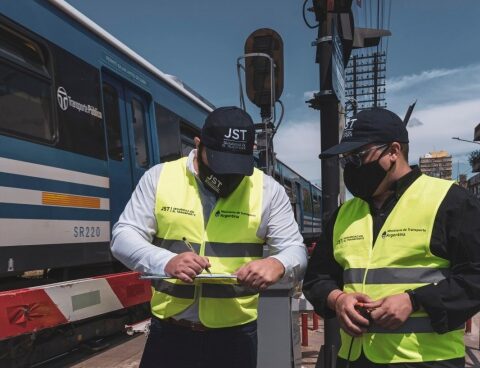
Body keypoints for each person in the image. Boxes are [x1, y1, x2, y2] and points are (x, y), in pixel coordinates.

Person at [111, 106, 307, 368]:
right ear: (198, 145)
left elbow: (295, 248)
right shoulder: (159, 178)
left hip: (235, 337)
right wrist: (165, 261)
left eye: (236, 168)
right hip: (169, 333)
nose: (227, 176)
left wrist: (278, 264)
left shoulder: (268, 190)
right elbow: (123, 236)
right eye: (219, 163)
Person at [303, 108, 480, 367]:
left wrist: (414, 301)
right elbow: (317, 278)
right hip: (353, 358)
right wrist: (338, 299)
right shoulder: (345, 213)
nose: (350, 167)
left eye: (357, 156)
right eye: (345, 160)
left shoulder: (449, 201)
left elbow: (475, 276)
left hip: (426, 360)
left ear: (394, 151)